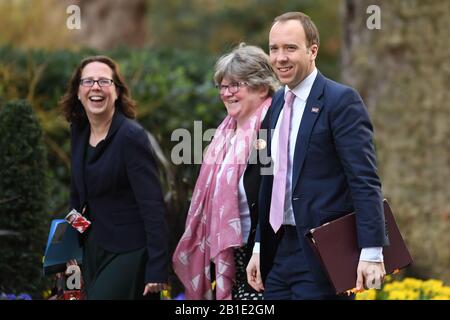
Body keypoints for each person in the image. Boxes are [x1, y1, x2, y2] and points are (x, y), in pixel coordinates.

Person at [246, 12, 388, 300]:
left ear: (313, 50)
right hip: (277, 254)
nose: (280, 57)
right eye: (274, 48)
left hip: (322, 255)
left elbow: (364, 180)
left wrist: (372, 251)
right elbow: (268, 182)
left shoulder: (341, 101)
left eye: (290, 48)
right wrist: (260, 246)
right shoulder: (274, 105)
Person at [172, 43, 279, 300]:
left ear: (262, 87)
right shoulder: (224, 135)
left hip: (269, 257)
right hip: (236, 259)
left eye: (236, 85)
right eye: (223, 86)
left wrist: (260, 248)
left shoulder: (274, 131)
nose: (227, 93)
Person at [60, 55, 168, 299]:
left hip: (129, 250)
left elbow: (153, 206)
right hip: (92, 247)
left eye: (104, 81)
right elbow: (77, 198)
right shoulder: (78, 131)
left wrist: (157, 269)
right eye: (88, 81)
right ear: (78, 92)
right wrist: (69, 247)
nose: (96, 87)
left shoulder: (131, 137)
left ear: (117, 92)